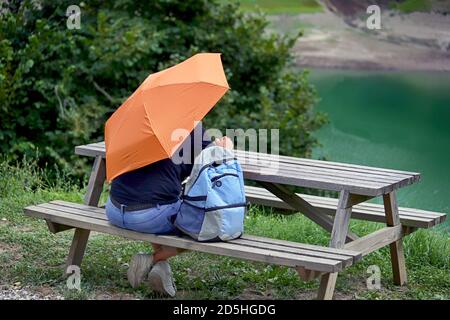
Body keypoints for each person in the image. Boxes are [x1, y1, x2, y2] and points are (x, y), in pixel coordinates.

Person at [105, 125, 233, 296]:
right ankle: (152, 260)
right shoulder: (190, 128)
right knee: (205, 226)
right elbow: (211, 168)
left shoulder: (133, 127)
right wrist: (224, 150)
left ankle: (161, 270)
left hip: (114, 209)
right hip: (148, 217)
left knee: (163, 200)